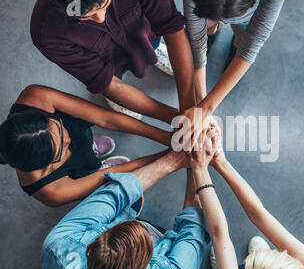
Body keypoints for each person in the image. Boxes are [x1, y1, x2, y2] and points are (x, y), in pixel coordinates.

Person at [41, 149, 210, 269]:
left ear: (90, 248)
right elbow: (192, 230)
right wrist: (196, 166)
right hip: (163, 238)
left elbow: (115, 194)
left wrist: (174, 160)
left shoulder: (57, 246)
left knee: (125, 198)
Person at [188, 127, 304, 269]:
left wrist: (199, 169)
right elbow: (258, 214)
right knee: (233, 260)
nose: (245, 261)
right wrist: (220, 161)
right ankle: (256, 264)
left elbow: (219, 234)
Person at [32, 0, 196, 120]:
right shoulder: (48, 33)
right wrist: (178, 119)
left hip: (144, 34)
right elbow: (108, 82)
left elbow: (171, 27)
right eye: (85, 16)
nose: (101, 18)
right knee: (110, 82)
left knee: (151, 44)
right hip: (108, 66)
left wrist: (190, 109)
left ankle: (152, 50)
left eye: (105, 3)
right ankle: (115, 98)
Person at [0, 84, 175, 207]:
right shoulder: (50, 191)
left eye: (59, 128)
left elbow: (105, 118)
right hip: (76, 174)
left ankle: (89, 149)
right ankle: (95, 168)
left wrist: (168, 138)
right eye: (60, 150)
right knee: (106, 177)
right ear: (46, 166)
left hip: (80, 136)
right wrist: (171, 154)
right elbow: (117, 172)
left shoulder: (35, 97)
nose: (67, 139)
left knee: (83, 139)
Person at [179, 0, 290, 149]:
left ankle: (232, 37)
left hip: (245, 18)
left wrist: (205, 108)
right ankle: (211, 32)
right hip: (211, 9)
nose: (223, 21)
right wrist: (202, 107)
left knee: (242, 34)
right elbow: (196, 39)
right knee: (206, 29)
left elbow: (253, 43)